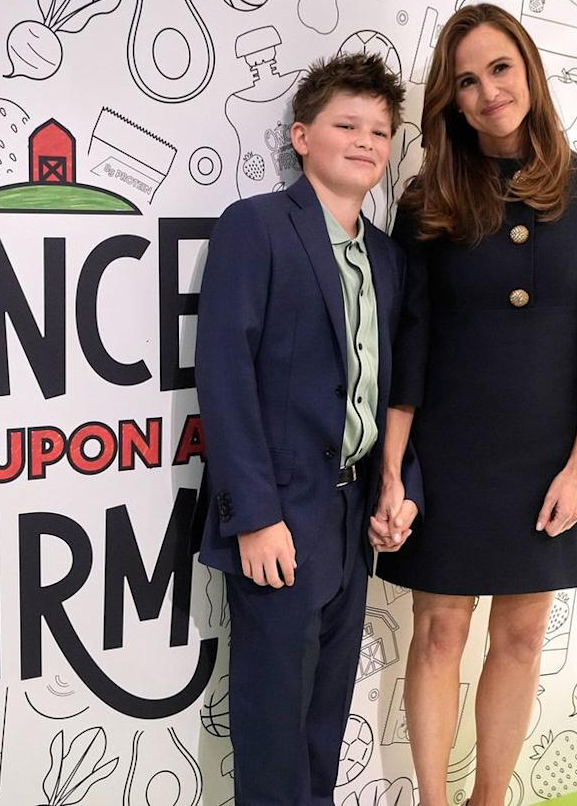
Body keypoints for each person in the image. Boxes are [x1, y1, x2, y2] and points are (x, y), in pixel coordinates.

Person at [371, 3, 577, 806]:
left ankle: (491, 798)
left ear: (529, 69)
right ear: (451, 102)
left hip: (546, 458)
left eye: (500, 68)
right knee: (440, 631)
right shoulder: (428, 202)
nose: (488, 92)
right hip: (450, 452)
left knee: (519, 637)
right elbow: (407, 349)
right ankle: (433, 802)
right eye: (467, 81)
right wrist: (392, 474)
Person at [196, 51, 424, 805]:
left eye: (381, 131)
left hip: (353, 513)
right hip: (281, 515)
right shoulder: (255, 228)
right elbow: (224, 378)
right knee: (272, 720)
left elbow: (392, 388)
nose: (366, 141)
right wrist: (254, 516)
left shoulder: (386, 258)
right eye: (346, 124)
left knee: (325, 714)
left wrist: (401, 486)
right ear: (301, 136)